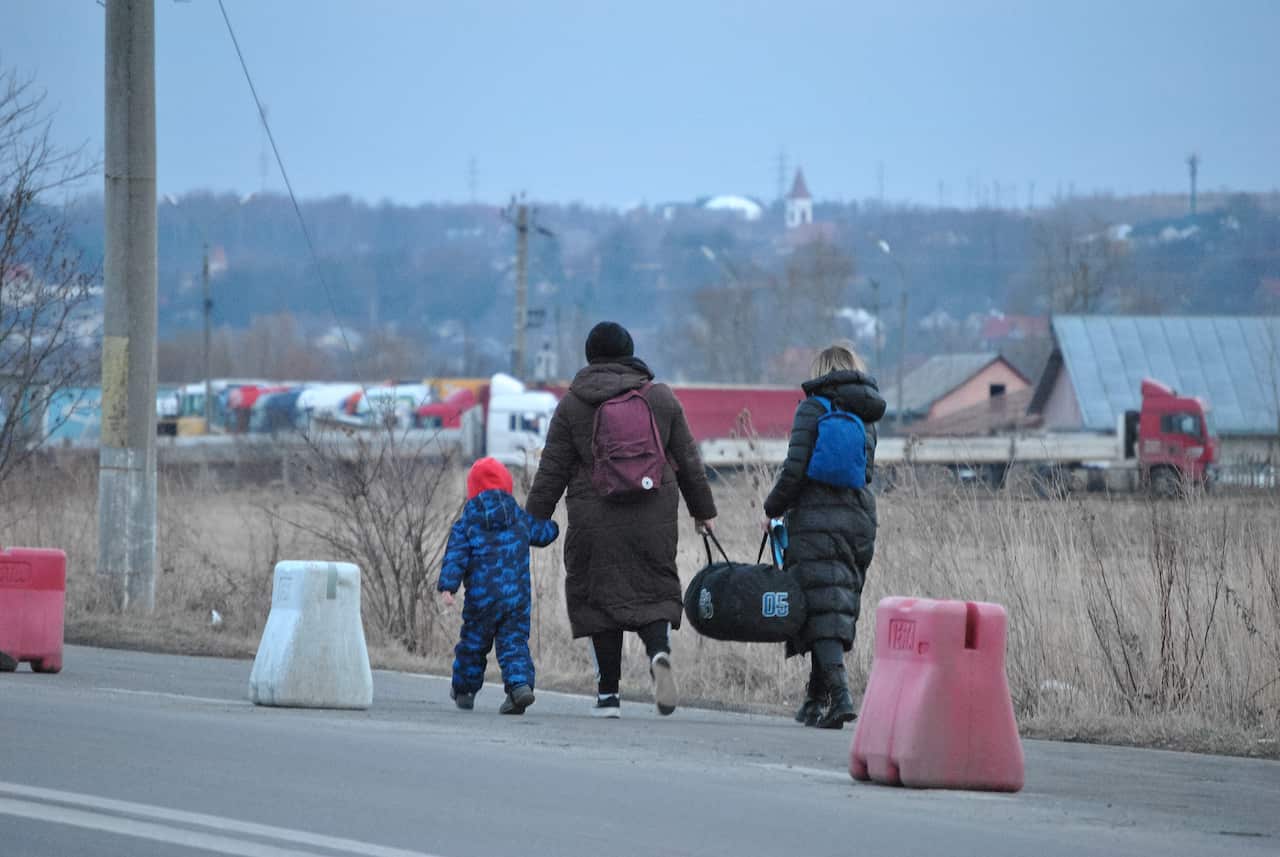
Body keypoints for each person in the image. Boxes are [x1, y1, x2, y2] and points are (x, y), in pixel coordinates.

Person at [527, 321, 717, 718]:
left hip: (595, 517)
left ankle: (608, 695)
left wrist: (533, 519)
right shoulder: (660, 399)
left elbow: (551, 471)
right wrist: (704, 512)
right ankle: (658, 654)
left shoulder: (574, 404)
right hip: (653, 515)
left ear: (590, 356)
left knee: (600, 601)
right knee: (652, 593)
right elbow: (689, 462)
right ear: (630, 352)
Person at [763, 343, 885, 729]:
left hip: (816, 518)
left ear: (822, 371)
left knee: (819, 606)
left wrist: (771, 508)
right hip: (860, 519)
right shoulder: (867, 416)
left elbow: (794, 469)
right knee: (832, 605)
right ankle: (816, 700)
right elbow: (865, 473)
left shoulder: (812, 408)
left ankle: (842, 695)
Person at [438, 457, 559, 715]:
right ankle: (519, 687)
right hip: (516, 599)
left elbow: (456, 557)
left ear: (473, 490)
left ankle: (464, 691)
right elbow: (542, 533)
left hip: (482, 600)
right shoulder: (518, 517)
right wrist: (555, 528)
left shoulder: (467, 522)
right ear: (507, 486)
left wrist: (448, 587)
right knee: (514, 643)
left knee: (472, 644)